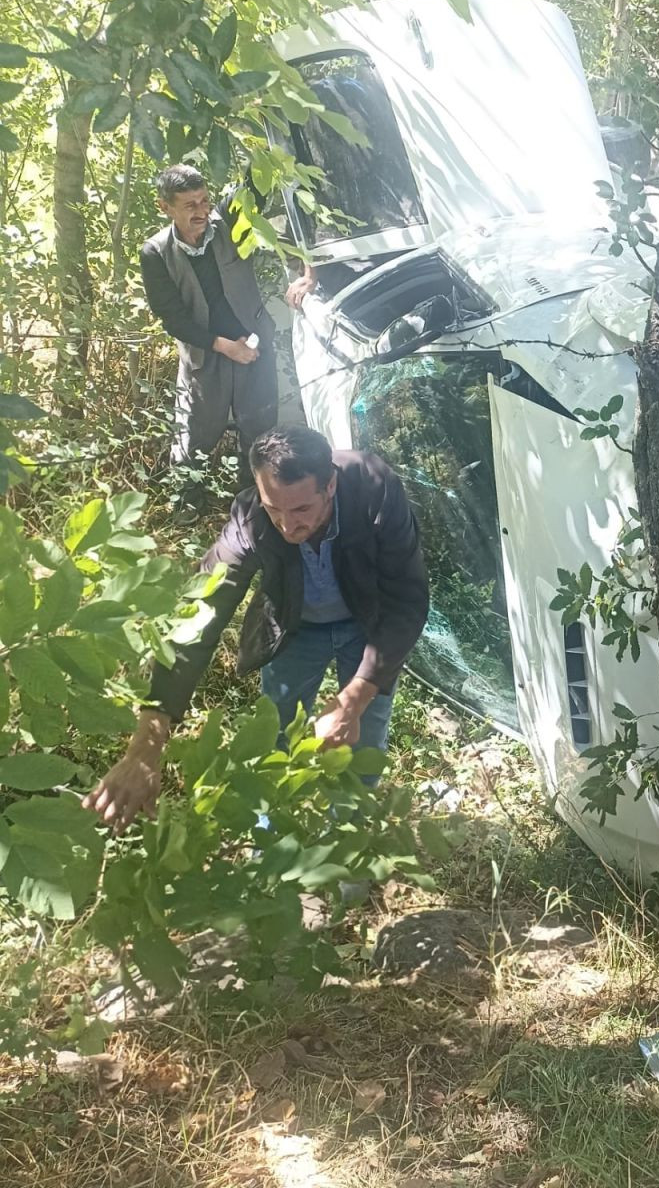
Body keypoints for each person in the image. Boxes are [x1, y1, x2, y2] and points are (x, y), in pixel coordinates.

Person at [84, 425, 430, 831]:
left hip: (367, 625)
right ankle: (271, 835)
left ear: (330, 485)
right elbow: (198, 620)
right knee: (276, 733)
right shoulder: (250, 518)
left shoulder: (373, 486)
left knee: (362, 735)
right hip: (294, 626)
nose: (287, 526)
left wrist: (351, 701)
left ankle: (348, 837)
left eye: (302, 510)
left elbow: (407, 601)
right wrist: (145, 750)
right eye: (273, 508)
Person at [140, 165, 315, 514]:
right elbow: (172, 317)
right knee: (195, 437)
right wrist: (223, 346)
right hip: (205, 356)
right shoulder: (156, 253)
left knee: (260, 431)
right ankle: (187, 512)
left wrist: (309, 271)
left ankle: (253, 510)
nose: (202, 211)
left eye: (205, 200)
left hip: (254, 348)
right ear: (166, 207)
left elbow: (259, 181)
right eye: (190, 205)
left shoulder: (228, 220)